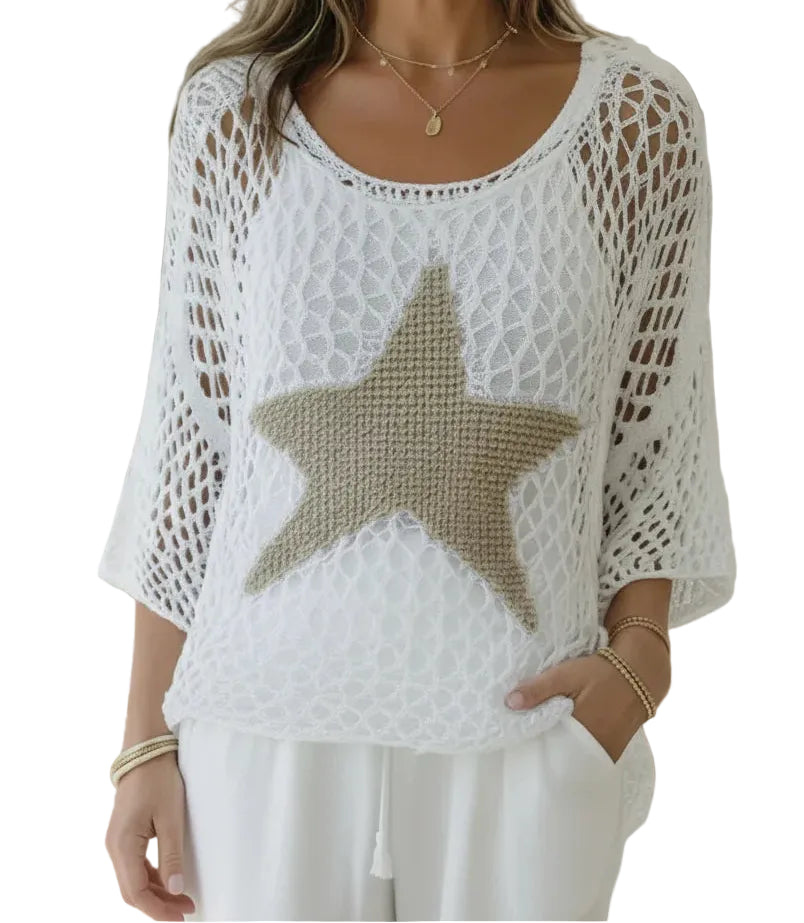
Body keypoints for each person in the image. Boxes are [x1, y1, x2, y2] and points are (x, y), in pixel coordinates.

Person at [99, 1, 737, 920]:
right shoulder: (235, 109)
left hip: (531, 733)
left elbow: (656, 441)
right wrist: (144, 742)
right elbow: (191, 444)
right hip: (259, 741)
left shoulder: (637, 119)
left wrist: (640, 665)